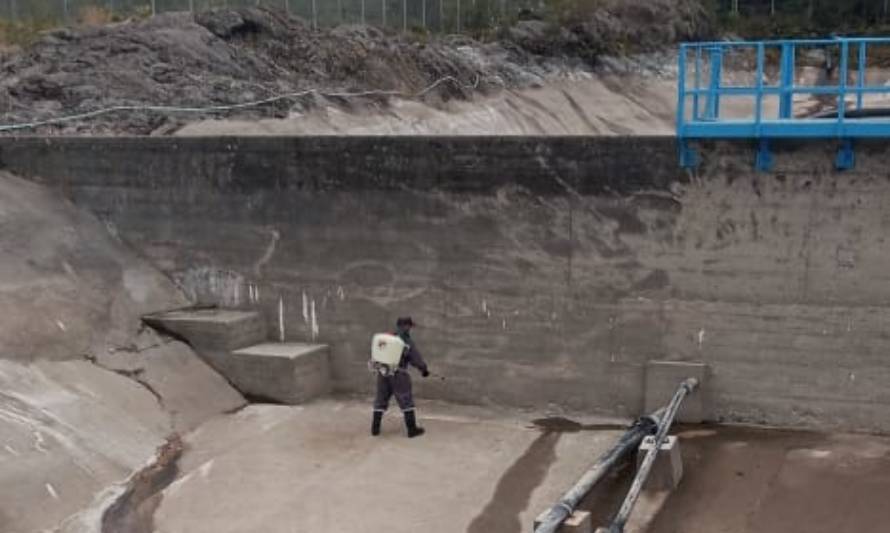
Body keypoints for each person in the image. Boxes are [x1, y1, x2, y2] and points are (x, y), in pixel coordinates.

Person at [371, 316, 430, 438]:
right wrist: (424, 370)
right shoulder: (406, 341)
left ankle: (375, 429)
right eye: (410, 326)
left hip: (383, 373)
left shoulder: (387, 338)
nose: (410, 329)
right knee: (405, 399)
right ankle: (412, 429)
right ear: (406, 326)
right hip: (399, 375)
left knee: (380, 399)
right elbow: (416, 359)